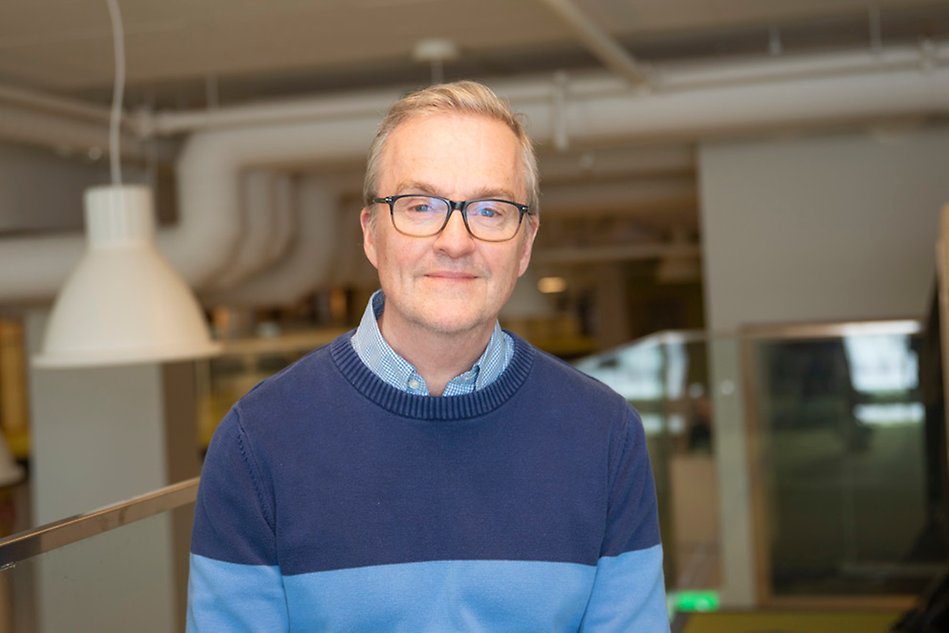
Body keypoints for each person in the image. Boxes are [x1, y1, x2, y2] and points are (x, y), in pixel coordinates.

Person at [187, 80, 668, 631]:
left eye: (490, 210)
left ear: (526, 244)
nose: (456, 241)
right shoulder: (258, 442)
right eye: (420, 206)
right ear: (372, 234)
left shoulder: (606, 436)